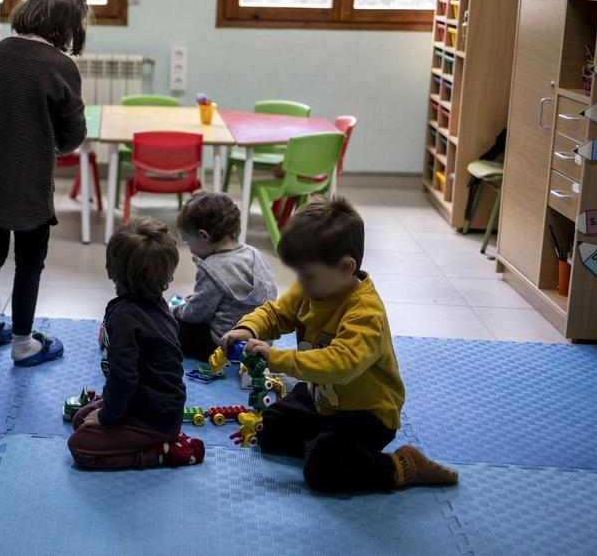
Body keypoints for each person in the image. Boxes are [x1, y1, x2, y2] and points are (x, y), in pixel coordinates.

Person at [218, 196, 458, 493]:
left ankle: (401, 466)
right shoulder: (313, 287)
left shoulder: (365, 312)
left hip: (366, 413)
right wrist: (247, 327)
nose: (301, 281)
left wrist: (275, 358)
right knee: (268, 430)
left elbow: (341, 365)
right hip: (322, 398)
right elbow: (277, 314)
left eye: (309, 273)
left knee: (322, 471)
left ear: (346, 267)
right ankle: (329, 447)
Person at [0, 0, 89, 366]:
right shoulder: (60, 66)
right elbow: (73, 135)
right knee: (30, 262)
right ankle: (23, 344)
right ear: (69, 24)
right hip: (28, 182)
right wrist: (54, 142)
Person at [68, 218, 204, 470]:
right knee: (80, 419)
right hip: (153, 405)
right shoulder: (158, 303)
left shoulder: (125, 318)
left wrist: (108, 416)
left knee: (80, 447)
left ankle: (162, 453)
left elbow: (123, 378)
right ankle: (155, 438)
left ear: (110, 269)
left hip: (154, 418)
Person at [172, 191, 277, 361]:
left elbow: (196, 315)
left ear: (203, 236)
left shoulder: (211, 268)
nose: (190, 248)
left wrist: (174, 310)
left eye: (188, 241)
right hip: (261, 340)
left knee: (171, 325)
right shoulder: (254, 253)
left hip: (224, 345)